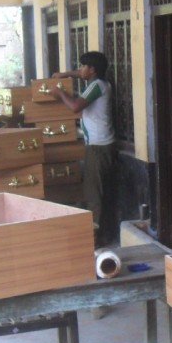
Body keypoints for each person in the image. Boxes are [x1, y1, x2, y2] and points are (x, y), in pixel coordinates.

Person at [51, 51, 116, 248]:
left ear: (92, 70)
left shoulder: (97, 86)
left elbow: (75, 106)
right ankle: (99, 234)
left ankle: (94, 239)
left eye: (83, 67)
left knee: (93, 193)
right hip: (100, 145)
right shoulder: (100, 83)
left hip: (98, 147)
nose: (80, 71)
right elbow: (79, 75)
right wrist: (65, 75)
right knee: (98, 190)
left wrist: (60, 93)